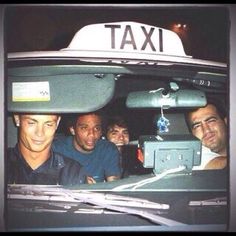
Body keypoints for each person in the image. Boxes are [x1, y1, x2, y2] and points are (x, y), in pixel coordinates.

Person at [7, 113, 86, 185]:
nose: (40, 133)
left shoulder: (72, 172)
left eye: (48, 124)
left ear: (57, 123)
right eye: (31, 123)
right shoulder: (4, 164)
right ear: (17, 118)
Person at [52, 111, 121, 183]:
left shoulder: (108, 149)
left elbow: (114, 184)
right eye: (84, 128)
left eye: (96, 128)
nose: (91, 134)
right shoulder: (57, 149)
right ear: (73, 130)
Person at [186, 100, 227, 170]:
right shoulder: (193, 155)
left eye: (211, 121)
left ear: (226, 122)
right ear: (192, 134)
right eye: (197, 126)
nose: (206, 130)